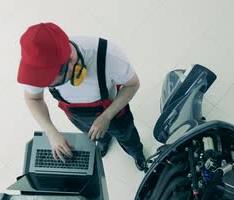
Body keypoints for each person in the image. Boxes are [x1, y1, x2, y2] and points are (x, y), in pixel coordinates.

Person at [17, 22, 147, 171]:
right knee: (97, 135)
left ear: (71, 61)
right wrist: (51, 132)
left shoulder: (108, 55)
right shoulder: (38, 65)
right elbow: (33, 98)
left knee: (127, 137)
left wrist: (106, 117)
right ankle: (104, 141)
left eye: (50, 81)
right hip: (78, 117)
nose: (42, 85)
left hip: (114, 112)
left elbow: (133, 84)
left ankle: (136, 153)